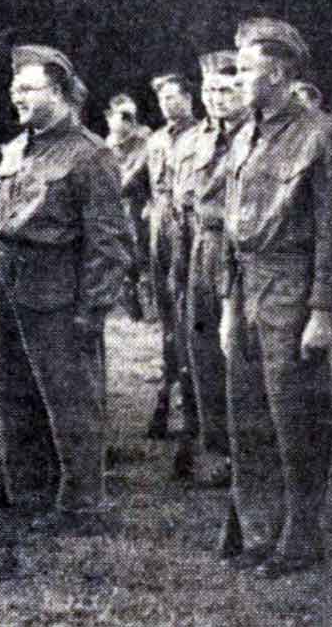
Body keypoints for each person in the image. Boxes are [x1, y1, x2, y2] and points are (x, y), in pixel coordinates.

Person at [219, 18, 332, 579]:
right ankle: (258, 534)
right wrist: (230, 305)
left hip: (294, 291)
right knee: (247, 417)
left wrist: (323, 312)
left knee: (295, 421)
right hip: (249, 286)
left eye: (247, 70)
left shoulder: (322, 136)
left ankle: (300, 540)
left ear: (276, 75)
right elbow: (232, 228)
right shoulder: (245, 134)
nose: (237, 79)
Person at [0, 45, 131, 533]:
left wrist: (93, 308)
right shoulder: (17, 148)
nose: (17, 96)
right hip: (12, 283)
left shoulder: (90, 155)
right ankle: (28, 491)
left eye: (27, 88)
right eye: (15, 89)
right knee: (17, 392)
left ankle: (83, 502)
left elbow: (108, 241)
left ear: (61, 92)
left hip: (59, 289)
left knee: (72, 398)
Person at [167, 50, 248, 487]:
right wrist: (179, 267)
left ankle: (247, 454)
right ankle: (214, 447)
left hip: (238, 251)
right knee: (200, 355)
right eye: (210, 89)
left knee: (238, 353)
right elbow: (183, 206)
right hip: (199, 248)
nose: (217, 98)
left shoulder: (256, 137)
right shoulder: (192, 141)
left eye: (227, 88)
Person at [136, 73, 199, 440]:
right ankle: (169, 391)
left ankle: (187, 402)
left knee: (186, 316)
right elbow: (142, 182)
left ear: (189, 98)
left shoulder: (201, 135)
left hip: (185, 230)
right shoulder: (156, 140)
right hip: (159, 229)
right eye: (162, 99)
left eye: (174, 97)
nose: (168, 104)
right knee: (167, 318)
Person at [103, 94, 151, 322]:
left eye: (131, 116)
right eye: (121, 116)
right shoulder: (105, 146)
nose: (128, 121)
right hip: (113, 210)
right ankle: (129, 307)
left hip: (137, 209)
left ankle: (146, 308)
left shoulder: (146, 143)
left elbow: (133, 178)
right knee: (117, 258)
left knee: (140, 257)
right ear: (109, 117)